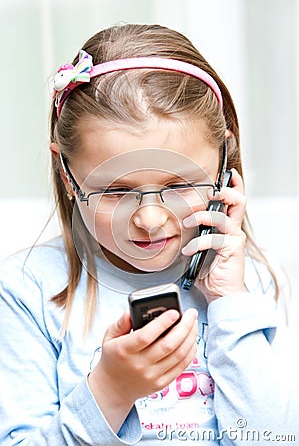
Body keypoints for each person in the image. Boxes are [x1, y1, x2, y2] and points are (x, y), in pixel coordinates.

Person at [0, 23, 296, 446]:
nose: (151, 219)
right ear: (68, 175)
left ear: (224, 162)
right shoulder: (27, 290)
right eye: (115, 191)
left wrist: (231, 307)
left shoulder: (253, 284)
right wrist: (111, 391)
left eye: (179, 186)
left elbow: (275, 439)